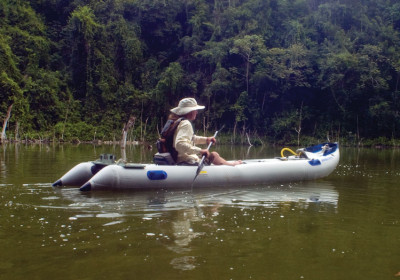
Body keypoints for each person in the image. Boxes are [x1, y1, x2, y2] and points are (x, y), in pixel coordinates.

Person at [168, 97, 242, 166]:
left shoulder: (176, 122)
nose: (196, 112)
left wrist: (206, 140)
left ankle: (226, 163)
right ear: (190, 112)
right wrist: (200, 151)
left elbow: (191, 138)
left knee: (210, 155)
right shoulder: (186, 124)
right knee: (214, 155)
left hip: (177, 158)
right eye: (195, 110)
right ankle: (231, 165)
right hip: (184, 160)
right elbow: (179, 144)